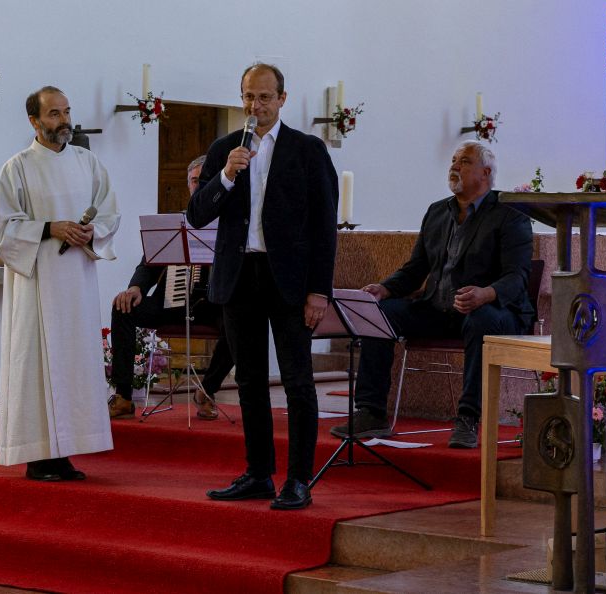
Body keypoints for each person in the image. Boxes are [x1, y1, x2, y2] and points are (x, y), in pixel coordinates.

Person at [187, 63, 338, 510]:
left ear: (283, 99)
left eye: (265, 97)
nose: (256, 106)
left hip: (288, 278)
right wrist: (228, 176)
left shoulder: (307, 150)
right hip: (239, 276)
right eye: (249, 97)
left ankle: (298, 480)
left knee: (296, 381)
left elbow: (324, 227)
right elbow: (197, 214)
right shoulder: (224, 150)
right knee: (249, 380)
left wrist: (319, 291)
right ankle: (258, 473)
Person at [330, 140, 534, 449]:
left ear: (486, 172)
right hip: (438, 310)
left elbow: (517, 277)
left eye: (464, 161)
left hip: (495, 313)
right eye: (453, 160)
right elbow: (416, 268)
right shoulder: (438, 212)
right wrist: (385, 288)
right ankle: (371, 412)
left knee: (480, 321)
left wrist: (485, 293)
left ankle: (467, 418)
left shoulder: (510, 215)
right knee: (379, 313)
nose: (454, 166)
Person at [0, 86, 120, 481]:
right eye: (53, 114)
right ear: (34, 120)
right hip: (37, 284)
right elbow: (3, 230)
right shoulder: (17, 167)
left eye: (66, 112)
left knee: (75, 364)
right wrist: (51, 228)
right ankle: (37, 455)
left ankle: (66, 451)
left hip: (77, 283)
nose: (63, 120)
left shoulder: (88, 162)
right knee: (35, 365)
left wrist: (90, 231)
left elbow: (110, 212)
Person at [108, 156, 234, 421]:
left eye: (205, 180)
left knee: (239, 327)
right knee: (123, 308)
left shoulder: (230, 223)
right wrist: (135, 288)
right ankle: (123, 396)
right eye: (194, 180)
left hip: (212, 306)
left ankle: (207, 391)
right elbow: (149, 263)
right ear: (188, 185)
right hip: (171, 303)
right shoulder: (175, 222)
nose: (199, 185)